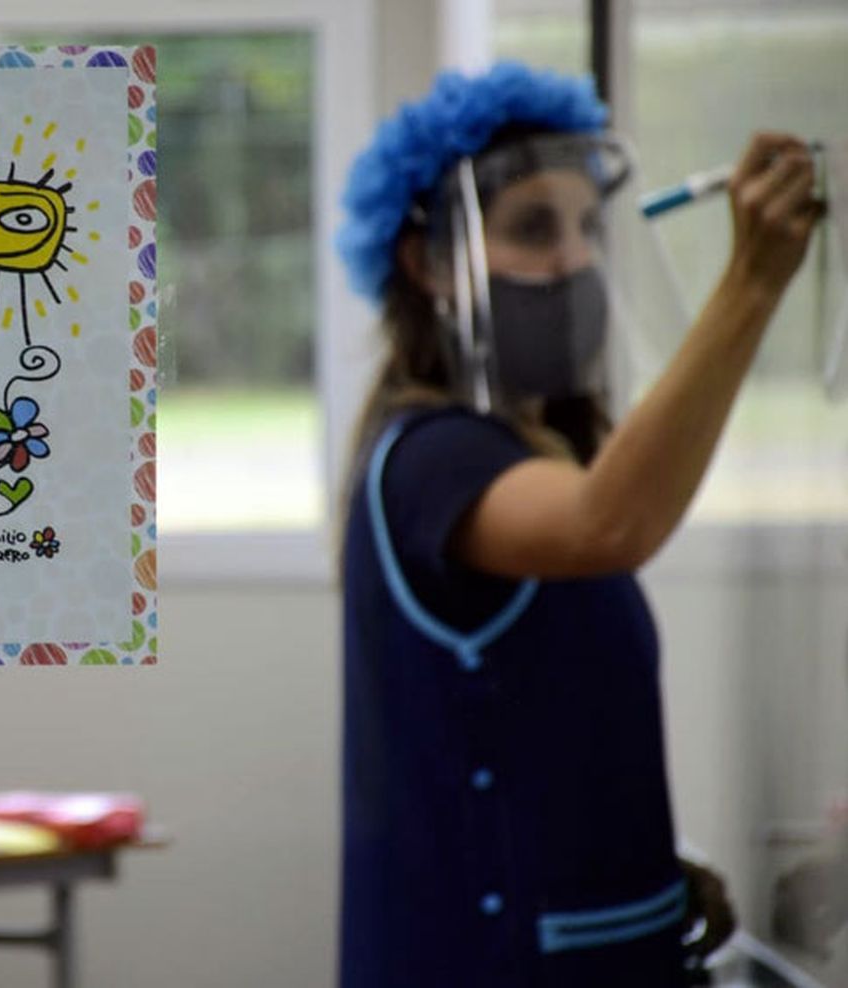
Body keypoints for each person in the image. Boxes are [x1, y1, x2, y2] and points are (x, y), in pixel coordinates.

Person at [335, 61, 821, 987]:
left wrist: (637, 875)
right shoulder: (435, 459)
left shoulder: (520, 455)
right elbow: (611, 524)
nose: (575, 260)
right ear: (428, 262)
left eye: (588, 228)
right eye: (531, 230)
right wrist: (751, 283)